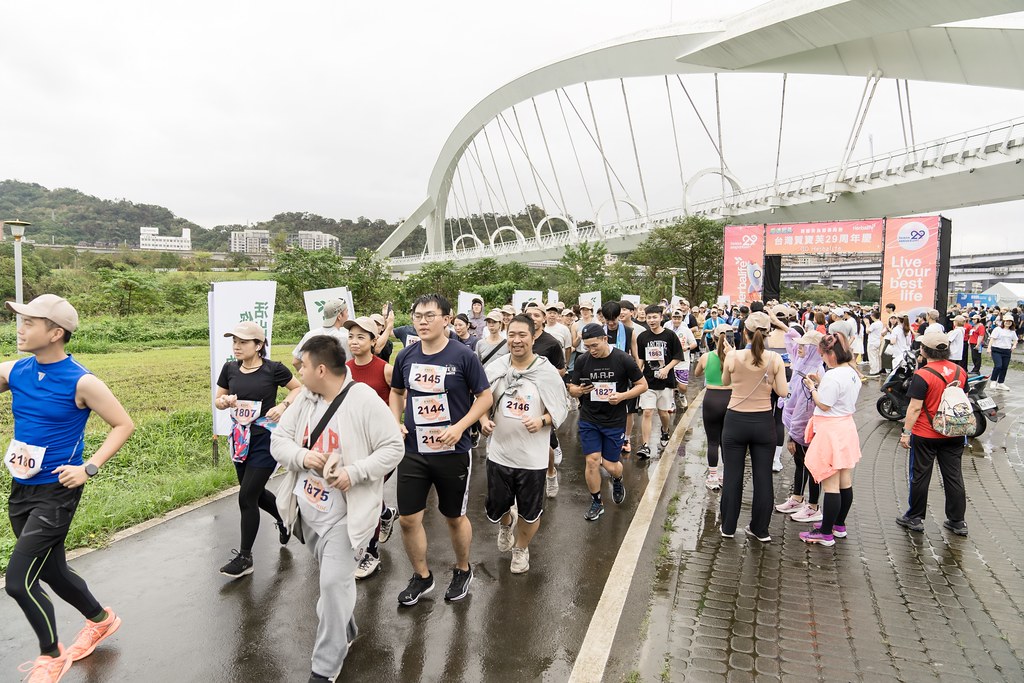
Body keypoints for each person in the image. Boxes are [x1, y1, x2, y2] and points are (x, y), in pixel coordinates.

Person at [3, 295, 134, 681]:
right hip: (21, 487)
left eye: (29, 322)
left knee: (18, 582)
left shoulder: (82, 381)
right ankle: (102, 619)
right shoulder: (14, 371)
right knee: (53, 572)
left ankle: (50, 655)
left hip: (57, 491)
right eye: (19, 321)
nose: (20, 329)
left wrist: (88, 468)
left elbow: (123, 424)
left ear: (55, 332)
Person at [271, 335, 404, 682]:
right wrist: (302, 456)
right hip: (308, 511)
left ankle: (324, 668)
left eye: (301, 364)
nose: (296, 369)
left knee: (331, 585)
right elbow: (278, 441)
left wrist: (353, 473)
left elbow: (393, 448)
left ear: (320, 368)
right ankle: (345, 627)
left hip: (345, 516)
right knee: (337, 587)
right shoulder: (305, 400)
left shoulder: (363, 401)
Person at [389, 294, 492, 606]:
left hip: (452, 451)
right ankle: (422, 576)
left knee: (454, 516)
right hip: (414, 451)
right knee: (408, 518)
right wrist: (396, 420)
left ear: (447, 319)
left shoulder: (463, 356)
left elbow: (484, 397)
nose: (422, 321)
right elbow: (396, 392)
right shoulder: (406, 357)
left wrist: (461, 427)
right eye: (417, 315)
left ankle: (462, 568)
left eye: (430, 315)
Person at [479, 315, 569, 573]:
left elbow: (561, 409)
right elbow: (481, 401)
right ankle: (506, 525)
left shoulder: (547, 372)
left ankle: (521, 549)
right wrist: (484, 420)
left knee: (530, 512)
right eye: (512, 335)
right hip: (499, 454)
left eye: (522, 335)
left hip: (532, 459)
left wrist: (542, 420)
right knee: (498, 508)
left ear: (533, 337)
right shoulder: (496, 368)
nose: (516, 340)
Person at [216, 321, 302, 578]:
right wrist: (225, 401)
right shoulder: (230, 368)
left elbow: (299, 388)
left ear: (259, 345)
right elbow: (219, 400)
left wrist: (283, 406)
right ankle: (285, 518)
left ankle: (245, 558)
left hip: (266, 440)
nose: (237, 346)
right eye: (234, 342)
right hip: (240, 441)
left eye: (243, 342)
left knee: (246, 497)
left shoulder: (273, 369)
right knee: (253, 492)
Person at [719, 312, 789, 542]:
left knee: (732, 475)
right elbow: (783, 392)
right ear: (768, 333)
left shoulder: (734, 356)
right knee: (763, 477)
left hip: (735, 421)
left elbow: (725, 382)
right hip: (763, 422)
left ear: (744, 331)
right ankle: (760, 530)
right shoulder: (775, 359)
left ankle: (728, 527)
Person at [895, 328, 970, 536]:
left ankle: (915, 517)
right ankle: (957, 521)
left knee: (920, 476)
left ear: (925, 351)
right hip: (954, 432)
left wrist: (905, 432)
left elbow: (915, 408)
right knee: (953, 476)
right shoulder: (960, 371)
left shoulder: (922, 375)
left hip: (926, 433)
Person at [569, 323, 648, 521]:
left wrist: (622, 396)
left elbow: (642, 385)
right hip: (589, 418)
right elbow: (572, 387)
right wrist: (577, 391)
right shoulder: (583, 360)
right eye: (587, 347)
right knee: (592, 461)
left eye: (594, 345)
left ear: (605, 339)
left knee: (611, 465)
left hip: (614, 420)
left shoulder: (623, 359)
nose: (591, 350)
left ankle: (618, 478)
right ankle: (597, 502)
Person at [344, 316, 399, 580]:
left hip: (381, 445)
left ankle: (371, 553)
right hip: (351, 444)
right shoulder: (342, 370)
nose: (354, 342)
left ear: (373, 341)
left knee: (367, 493)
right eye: (351, 337)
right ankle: (386, 513)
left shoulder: (385, 370)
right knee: (362, 494)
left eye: (361, 337)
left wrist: (396, 424)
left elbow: (400, 400)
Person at [798, 334, 863, 545]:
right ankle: (838, 525)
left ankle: (825, 533)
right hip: (846, 428)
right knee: (845, 481)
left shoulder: (834, 376)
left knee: (831, 485)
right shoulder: (851, 372)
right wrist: (821, 382)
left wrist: (812, 387)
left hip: (830, 431)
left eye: (824, 355)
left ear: (831, 354)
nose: (823, 359)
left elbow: (824, 404)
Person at [775, 329, 825, 523]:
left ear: (813, 349)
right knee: (799, 462)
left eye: (803, 345)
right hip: (799, 426)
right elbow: (790, 336)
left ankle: (813, 506)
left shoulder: (813, 371)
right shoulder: (803, 363)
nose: (798, 347)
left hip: (807, 428)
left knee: (811, 466)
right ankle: (797, 498)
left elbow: (805, 408)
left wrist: (793, 435)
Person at [524, 305, 567, 496]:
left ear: (543, 319)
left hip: (543, 397)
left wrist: (540, 372)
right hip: (519, 395)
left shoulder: (551, 342)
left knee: (544, 440)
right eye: (528, 315)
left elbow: (561, 371)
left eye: (536, 315)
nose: (532, 318)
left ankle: (550, 472)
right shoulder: (518, 339)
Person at [635, 305, 684, 459]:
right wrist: (638, 376)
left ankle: (665, 431)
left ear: (661, 318)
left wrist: (666, 369)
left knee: (663, 413)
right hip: (648, 382)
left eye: (655, 317)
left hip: (666, 381)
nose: (651, 320)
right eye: (649, 317)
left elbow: (677, 356)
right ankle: (645, 446)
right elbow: (641, 358)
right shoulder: (642, 337)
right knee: (648, 412)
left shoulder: (670, 336)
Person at [693, 324, 734, 489]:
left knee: (712, 441)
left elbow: (696, 373)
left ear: (714, 338)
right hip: (731, 398)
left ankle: (712, 476)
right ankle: (726, 475)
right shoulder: (737, 357)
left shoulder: (706, 357)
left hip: (712, 398)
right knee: (727, 441)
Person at [601, 301, 640, 454]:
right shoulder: (599, 331)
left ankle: (626, 438)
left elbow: (636, 356)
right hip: (604, 375)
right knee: (606, 406)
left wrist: (638, 377)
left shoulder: (629, 332)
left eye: (614, 319)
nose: (611, 323)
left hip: (625, 375)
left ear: (619, 316)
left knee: (628, 409)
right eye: (607, 320)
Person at [292, 299, 350, 371]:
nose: (348, 315)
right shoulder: (346, 339)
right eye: (346, 312)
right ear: (339, 316)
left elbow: (296, 362)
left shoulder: (309, 335)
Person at [988, 314, 1018, 390]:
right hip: (996, 350)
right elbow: (992, 339)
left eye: (1010, 321)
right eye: (1007, 321)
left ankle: (1001, 383)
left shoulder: (1012, 331)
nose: (1008, 323)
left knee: (1004, 367)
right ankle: (993, 380)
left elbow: (1015, 340)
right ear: (1004, 321)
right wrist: (989, 348)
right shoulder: (998, 329)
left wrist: (1014, 345)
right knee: (998, 366)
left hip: (1007, 351)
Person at [866, 311, 884, 376]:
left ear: (873, 316)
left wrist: (867, 325)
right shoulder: (880, 323)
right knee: (876, 356)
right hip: (877, 341)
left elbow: (867, 331)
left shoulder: (874, 324)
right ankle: (878, 369)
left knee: (872, 357)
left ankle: (873, 371)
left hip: (872, 342)